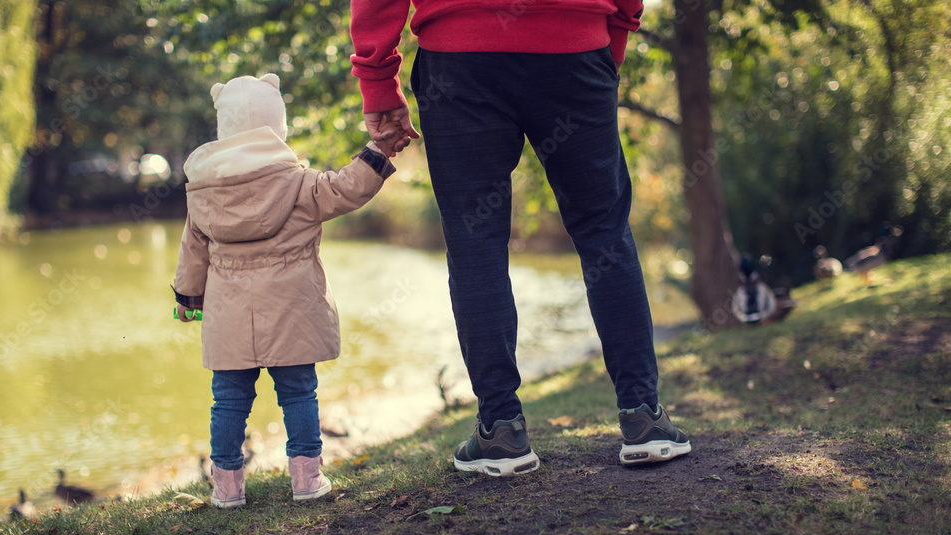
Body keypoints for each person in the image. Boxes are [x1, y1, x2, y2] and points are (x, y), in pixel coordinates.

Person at [350, 0, 691, 476]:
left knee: (475, 243)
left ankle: (502, 429)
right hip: (575, 48)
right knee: (603, 231)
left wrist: (378, 82)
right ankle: (644, 419)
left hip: (461, 58)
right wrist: (610, 39)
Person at [173, 73, 400, 507]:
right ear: (277, 125)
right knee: (298, 392)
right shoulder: (299, 183)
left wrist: (188, 299)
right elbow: (347, 188)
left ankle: (226, 487)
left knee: (228, 400)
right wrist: (378, 151)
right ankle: (306, 481)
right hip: (292, 310)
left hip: (230, 315)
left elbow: (193, 249)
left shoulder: (204, 193)